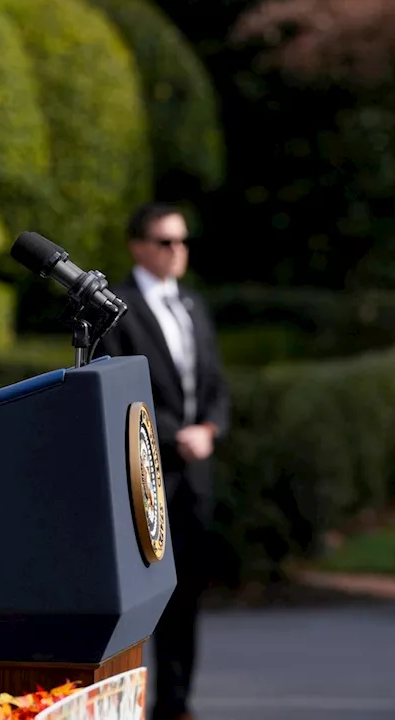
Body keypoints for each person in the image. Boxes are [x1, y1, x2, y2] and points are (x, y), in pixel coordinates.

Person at [91, 202, 229, 720]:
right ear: (138, 247)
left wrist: (211, 429)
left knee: (187, 595)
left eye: (183, 242)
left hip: (194, 475)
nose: (177, 252)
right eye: (165, 242)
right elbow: (123, 389)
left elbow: (215, 383)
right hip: (143, 472)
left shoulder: (192, 304)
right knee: (141, 599)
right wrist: (176, 435)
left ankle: (176, 703)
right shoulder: (117, 308)